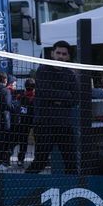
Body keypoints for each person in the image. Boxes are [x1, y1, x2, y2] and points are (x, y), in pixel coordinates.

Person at [27, 41, 82, 174]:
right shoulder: (43, 70)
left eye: (64, 54)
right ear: (52, 53)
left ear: (68, 57)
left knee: (72, 163)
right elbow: (46, 93)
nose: (60, 56)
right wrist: (65, 96)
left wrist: (57, 99)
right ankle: (22, 185)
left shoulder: (70, 75)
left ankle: (72, 191)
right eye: (58, 53)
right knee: (40, 161)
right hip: (44, 124)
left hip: (64, 125)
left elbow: (75, 99)